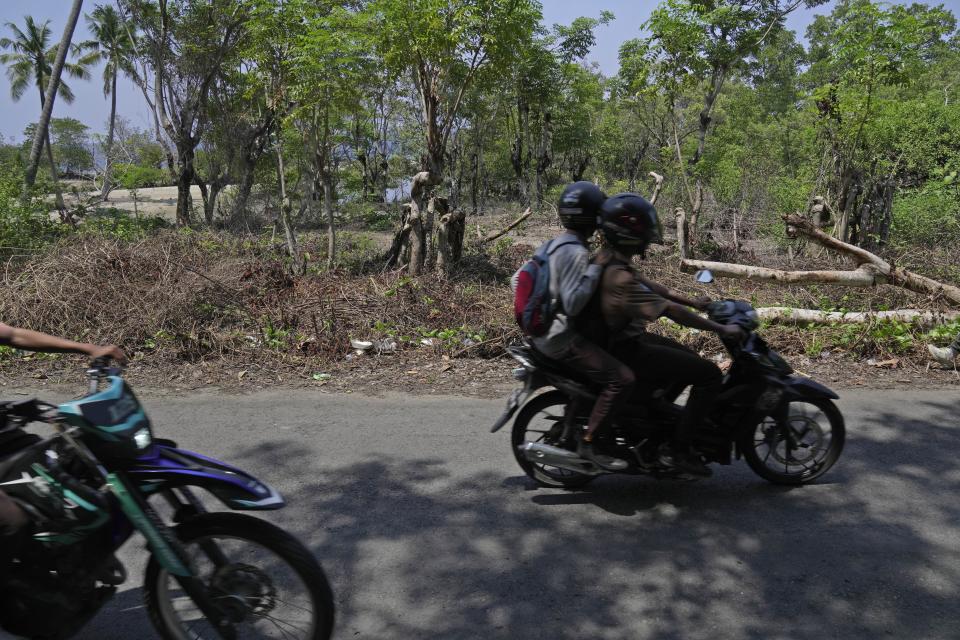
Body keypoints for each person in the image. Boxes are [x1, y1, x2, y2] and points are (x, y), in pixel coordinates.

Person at [581, 193, 744, 477]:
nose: (648, 237)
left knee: (689, 359)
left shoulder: (610, 258)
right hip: (626, 349)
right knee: (709, 375)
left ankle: (659, 418)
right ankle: (677, 450)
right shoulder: (620, 278)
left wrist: (696, 302)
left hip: (623, 342)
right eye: (644, 230)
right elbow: (668, 309)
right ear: (631, 235)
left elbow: (656, 288)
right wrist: (721, 328)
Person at [515, 181, 634, 470]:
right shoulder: (577, 253)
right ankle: (590, 441)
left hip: (543, 335)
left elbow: (518, 278)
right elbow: (573, 304)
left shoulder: (554, 244)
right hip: (560, 339)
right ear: (592, 218)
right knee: (622, 379)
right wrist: (596, 267)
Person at [0, 323, 126, 555]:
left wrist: (89, 348)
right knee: (11, 519)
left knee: (76, 467)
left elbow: (14, 335)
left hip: (7, 440)